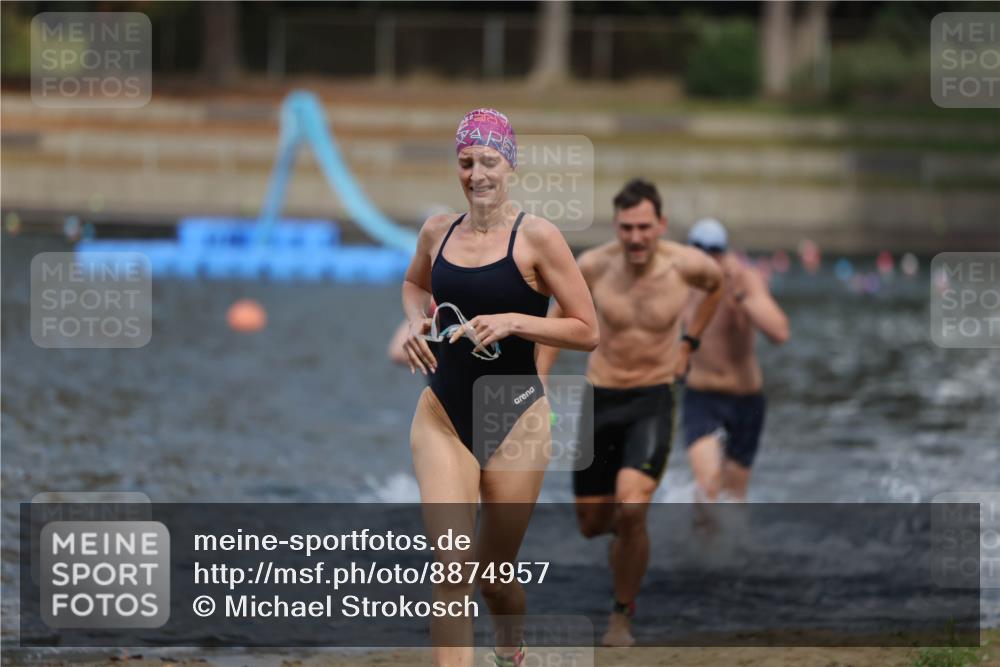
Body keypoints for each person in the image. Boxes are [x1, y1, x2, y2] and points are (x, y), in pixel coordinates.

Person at [401, 108, 599, 667]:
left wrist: (516, 321)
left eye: (488, 160)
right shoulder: (437, 230)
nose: (476, 173)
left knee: (493, 576)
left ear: (509, 164)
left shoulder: (538, 236)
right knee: (451, 570)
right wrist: (418, 320)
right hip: (443, 413)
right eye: (466, 162)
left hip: (515, 419)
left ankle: (509, 650)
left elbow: (588, 330)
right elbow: (415, 283)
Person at [536, 179, 723, 647]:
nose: (636, 238)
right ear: (616, 227)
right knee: (592, 525)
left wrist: (689, 342)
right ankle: (626, 543)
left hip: (652, 398)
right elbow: (556, 319)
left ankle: (621, 617)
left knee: (632, 506)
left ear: (660, 224)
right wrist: (537, 382)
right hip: (600, 399)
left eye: (644, 227)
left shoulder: (687, 265)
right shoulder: (593, 267)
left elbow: (715, 286)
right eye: (626, 228)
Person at [682, 218, 789, 503]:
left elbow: (779, 332)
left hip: (745, 400)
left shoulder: (744, 280)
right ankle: (698, 544)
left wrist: (741, 297)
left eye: (714, 251)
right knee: (707, 487)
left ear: (725, 252)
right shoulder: (680, 282)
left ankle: (727, 547)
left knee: (734, 496)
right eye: (699, 250)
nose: (707, 258)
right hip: (701, 398)